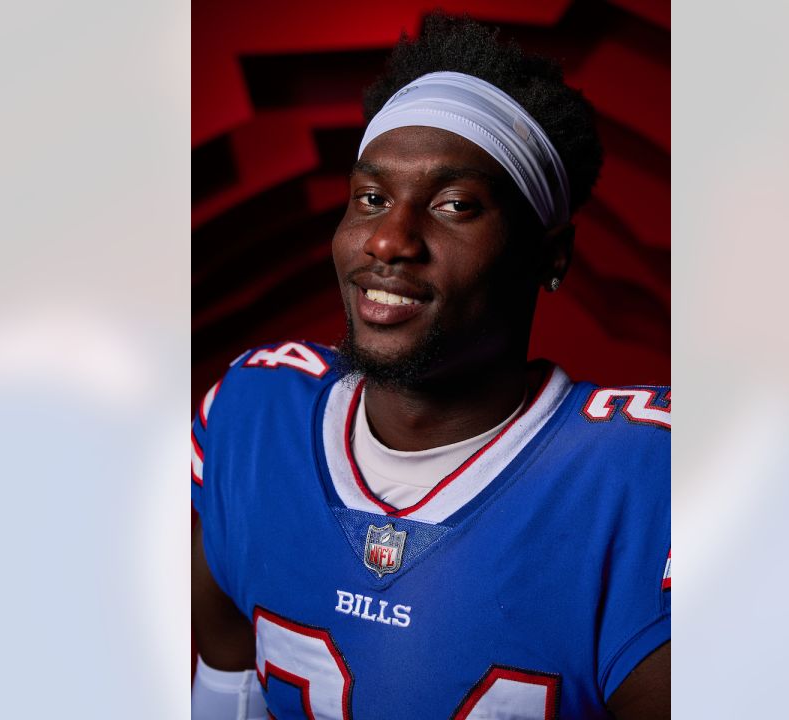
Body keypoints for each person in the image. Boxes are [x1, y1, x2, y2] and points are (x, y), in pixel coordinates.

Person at [192, 13, 670, 719]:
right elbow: (225, 681)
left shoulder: (642, 477)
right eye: (372, 199)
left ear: (550, 255)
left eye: (454, 205)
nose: (389, 239)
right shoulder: (255, 410)